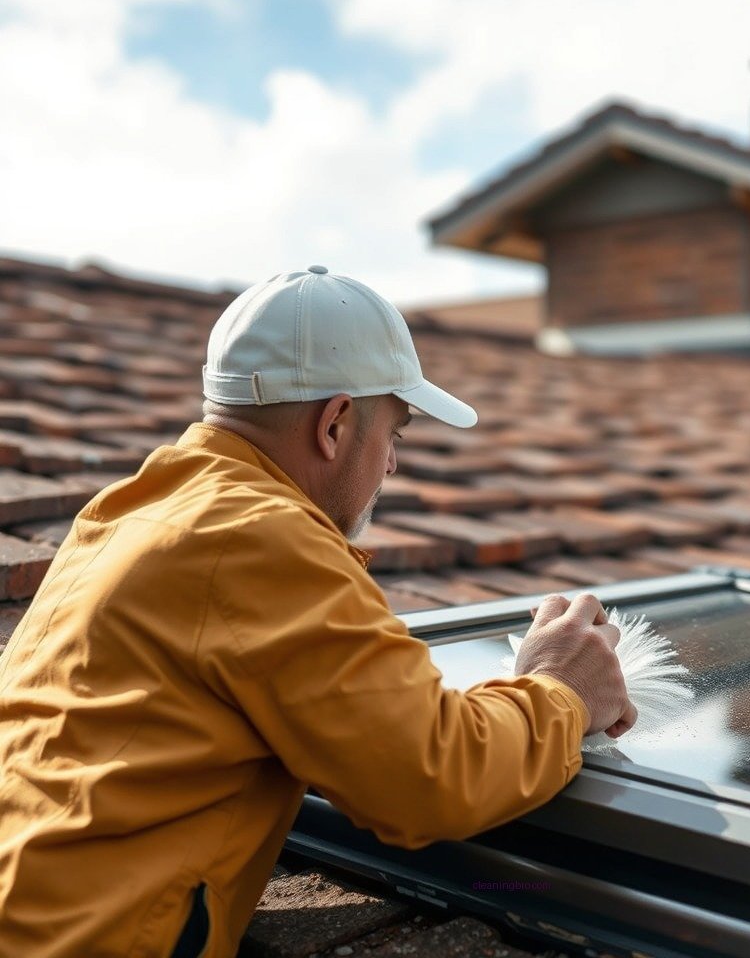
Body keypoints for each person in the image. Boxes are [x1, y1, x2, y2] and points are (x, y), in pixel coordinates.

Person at [0, 265, 636, 958]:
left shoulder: (131, 508)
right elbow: (431, 776)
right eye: (397, 433)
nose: (392, 464)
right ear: (335, 424)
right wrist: (562, 694)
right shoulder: (261, 538)